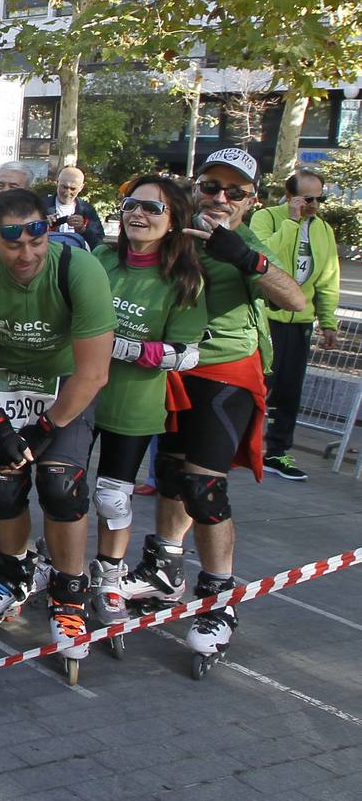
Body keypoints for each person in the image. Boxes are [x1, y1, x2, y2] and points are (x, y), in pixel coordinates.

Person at [121, 148, 305, 676]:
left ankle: (219, 595)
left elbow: (293, 300)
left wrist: (245, 258)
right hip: (172, 367)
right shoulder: (174, 225)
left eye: (235, 192)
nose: (220, 199)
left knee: (204, 487)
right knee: (171, 475)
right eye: (211, 187)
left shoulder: (244, 241)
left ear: (252, 200)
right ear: (195, 187)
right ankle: (164, 568)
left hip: (224, 373)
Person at [0, 188, 114, 684]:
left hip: (65, 386)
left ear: (49, 228)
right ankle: (11, 572)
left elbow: (94, 372)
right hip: (3, 382)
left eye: (36, 238)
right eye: (12, 242)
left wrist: (49, 427)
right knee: (3, 480)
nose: (26, 254)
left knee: (61, 485)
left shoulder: (79, 270)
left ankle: (69, 592)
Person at [87, 176, 207, 642]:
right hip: (79, 396)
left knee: (113, 496)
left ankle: (110, 577)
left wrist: (126, 348)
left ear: (174, 220)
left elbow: (187, 353)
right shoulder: (99, 260)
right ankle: (65, 570)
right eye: (132, 205)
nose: (138, 214)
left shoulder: (183, 279)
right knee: (64, 487)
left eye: (153, 209)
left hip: (133, 404)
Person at [253, 168, 341, 480]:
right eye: (308, 198)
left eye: (320, 198)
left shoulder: (323, 230)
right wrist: (291, 222)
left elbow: (329, 277)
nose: (314, 204)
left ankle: (277, 452)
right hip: (267, 318)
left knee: (289, 389)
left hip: (300, 321)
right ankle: (239, 445)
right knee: (257, 386)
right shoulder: (267, 218)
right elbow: (265, 258)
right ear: (291, 196)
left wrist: (328, 321)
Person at [45, 166, 103, 248]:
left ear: (81, 188)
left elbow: (99, 245)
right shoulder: (39, 206)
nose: (67, 192)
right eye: (64, 187)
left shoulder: (87, 211)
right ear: (57, 183)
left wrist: (83, 230)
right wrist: (41, 224)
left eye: (73, 189)